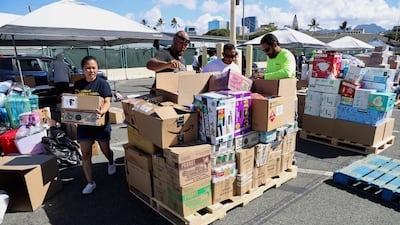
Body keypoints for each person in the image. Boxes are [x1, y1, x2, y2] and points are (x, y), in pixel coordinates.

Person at [74, 56, 116, 195]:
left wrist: (102, 111)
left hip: (100, 124)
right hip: (84, 126)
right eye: (88, 68)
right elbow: (75, 103)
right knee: (85, 154)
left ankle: (110, 161)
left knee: (105, 150)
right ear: (83, 69)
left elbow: (108, 101)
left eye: (93, 67)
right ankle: (90, 182)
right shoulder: (78, 84)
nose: (91, 70)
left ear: (97, 69)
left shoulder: (102, 83)